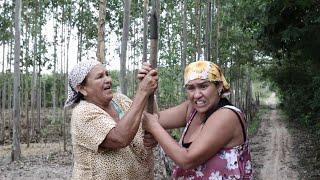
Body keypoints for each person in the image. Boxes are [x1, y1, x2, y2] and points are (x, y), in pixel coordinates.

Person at [139, 60, 252, 179]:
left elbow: (187, 160)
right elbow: (154, 118)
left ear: (219, 86)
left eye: (203, 86)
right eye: (191, 88)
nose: (197, 94)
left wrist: (154, 128)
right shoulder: (192, 109)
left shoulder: (227, 116)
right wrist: (146, 90)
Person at [64, 60, 158, 180]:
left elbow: (149, 118)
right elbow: (120, 138)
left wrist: (149, 94)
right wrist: (143, 92)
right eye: (100, 77)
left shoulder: (120, 101)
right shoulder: (82, 113)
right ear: (82, 88)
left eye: (107, 74)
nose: (108, 79)